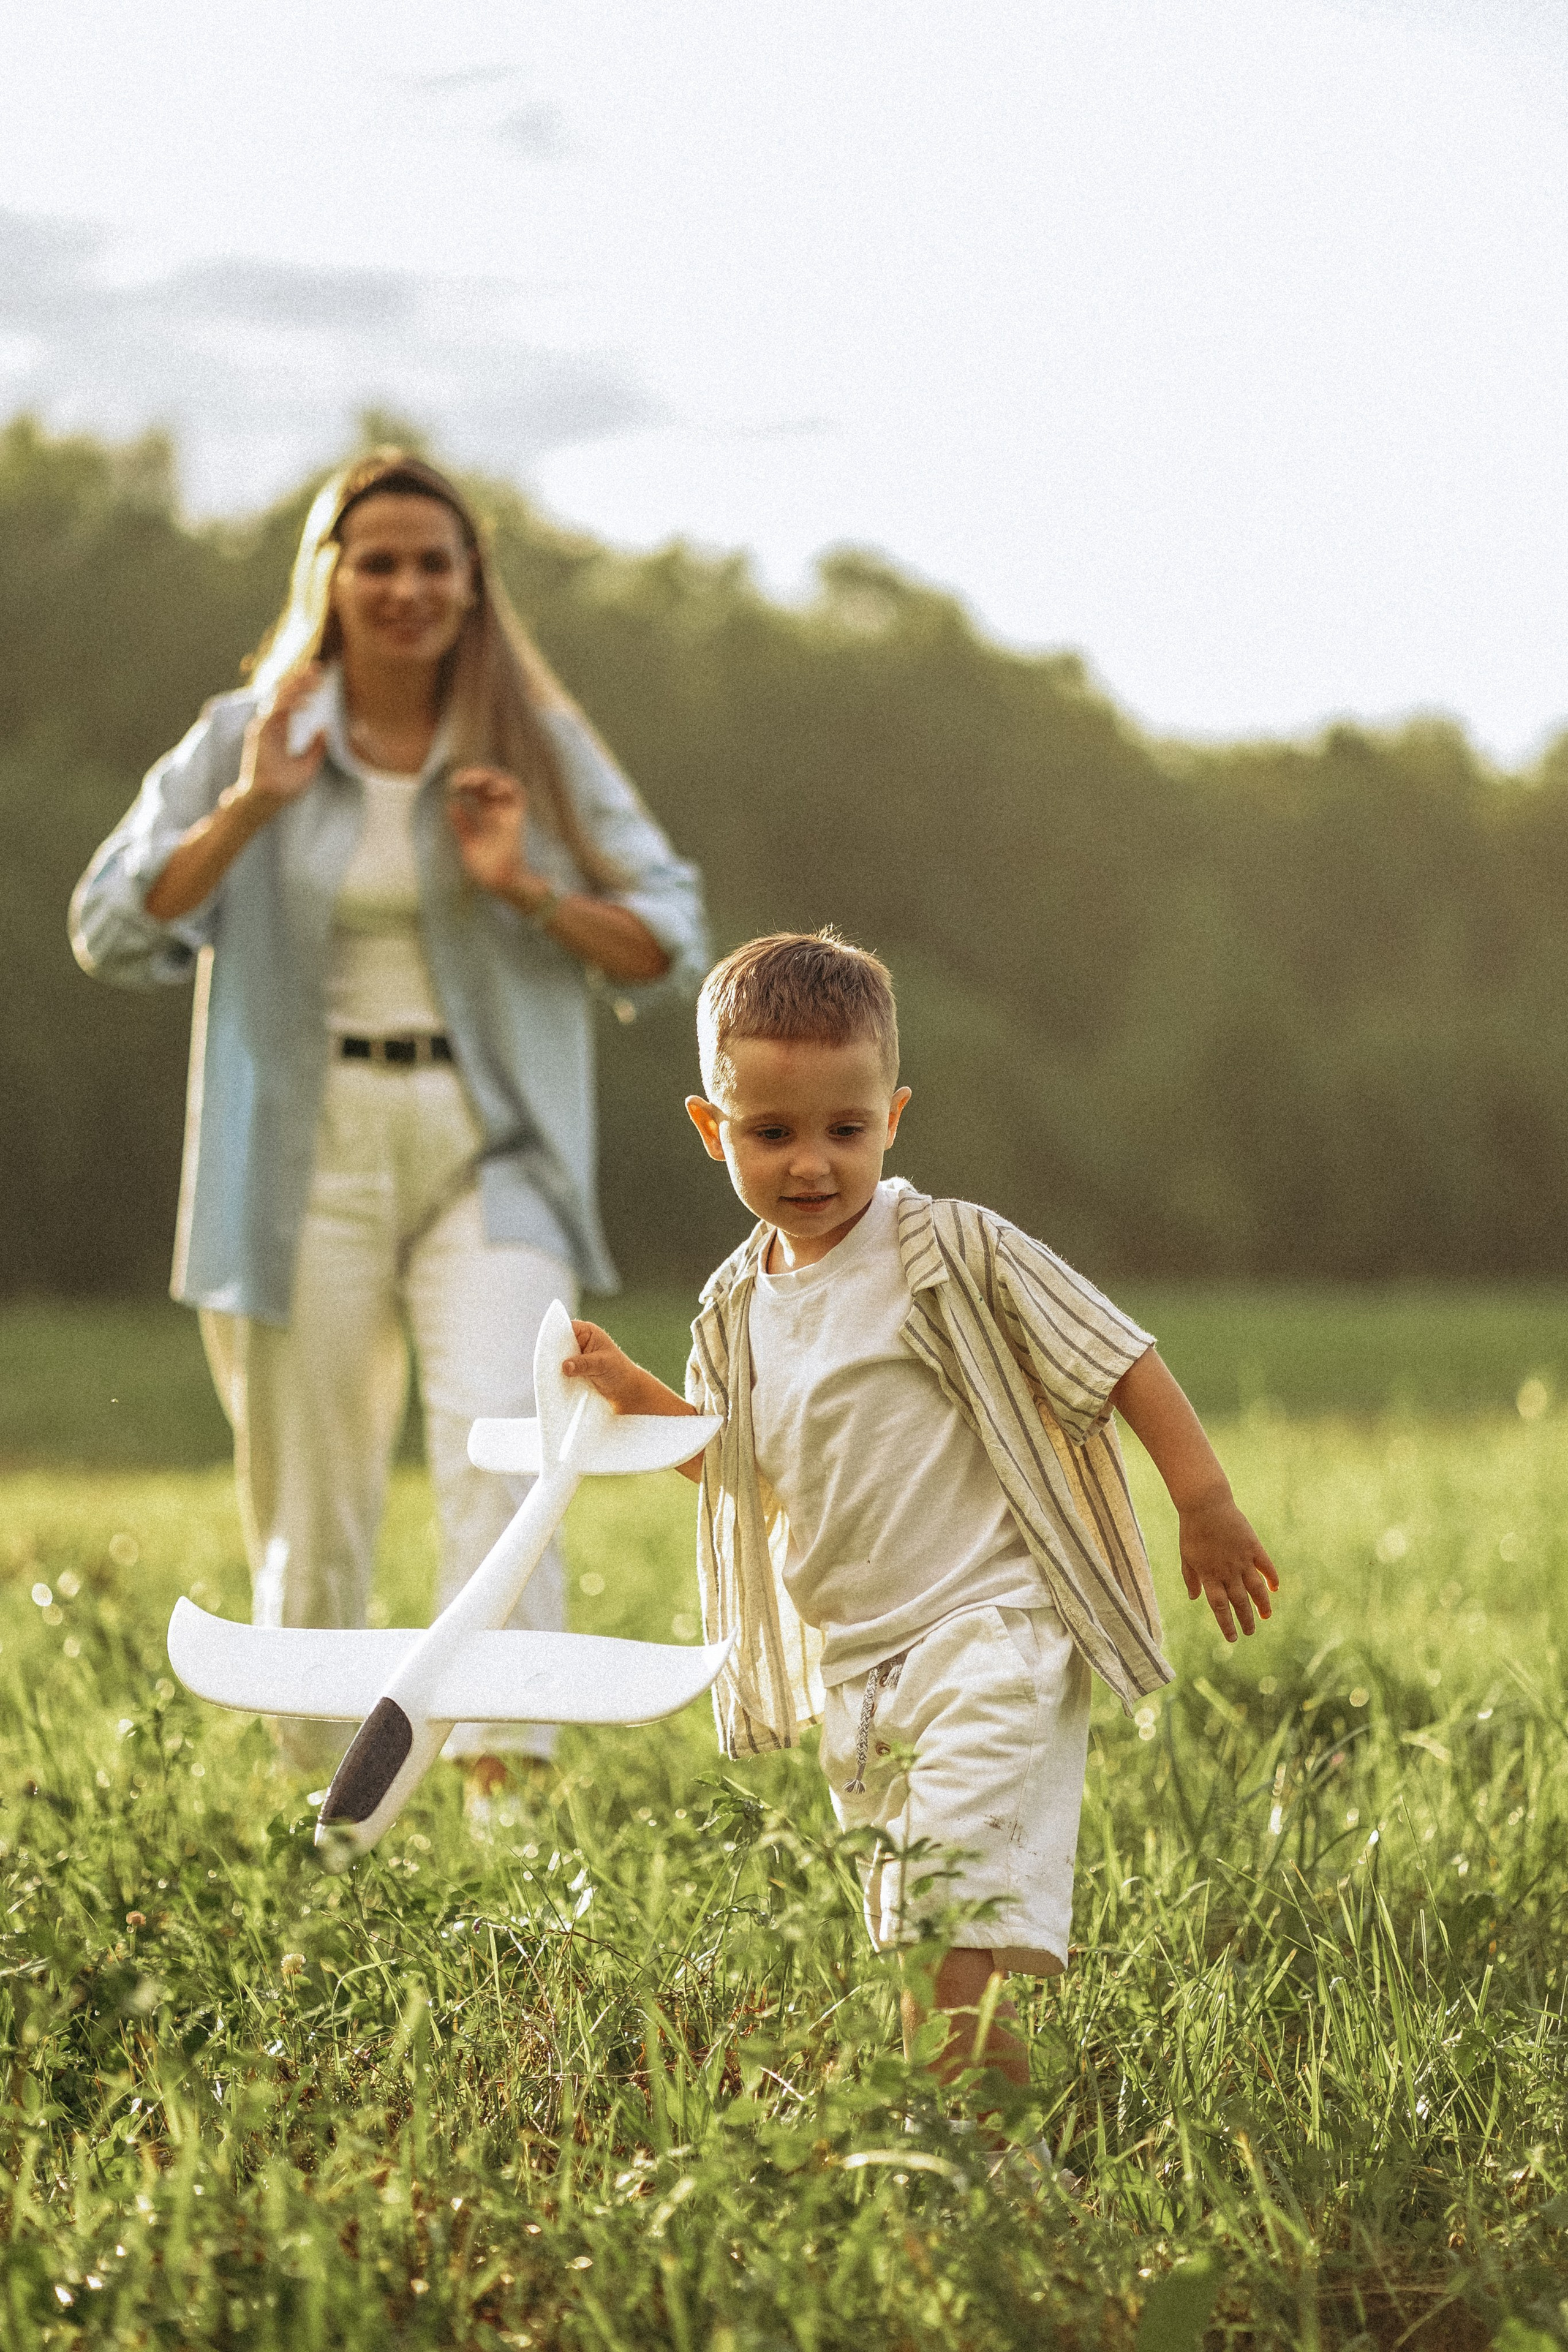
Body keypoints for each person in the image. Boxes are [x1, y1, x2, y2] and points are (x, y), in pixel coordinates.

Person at [70, 448, 708, 1785]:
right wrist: (254, 804)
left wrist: (523, 885)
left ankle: (507, 1793)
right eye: (379, 561)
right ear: (330, 578)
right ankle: (332, 1802)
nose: (407, 585)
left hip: (493, 1154)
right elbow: (114, 926)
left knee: (510, 1442)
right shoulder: (249, 731)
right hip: (302, 1154)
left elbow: (667, 937)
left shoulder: (535, 740)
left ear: (472, 585)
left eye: (434, 562)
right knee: (312, 1499)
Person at [554, 930, 1278, 2096]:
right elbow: (748, 1474)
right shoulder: (733, 1308)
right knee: (915, 1945)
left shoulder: (947, 1248)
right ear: (711, 1128)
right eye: (772, 1133)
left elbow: (1119, 1356)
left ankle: (988, 2168)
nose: (811, 1165)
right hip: (861, 1673)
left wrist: (1206, 1500)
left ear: (892, 1115)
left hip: (992, 1630)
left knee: (941, 1929)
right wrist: (648, 1403)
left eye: (845, 1129)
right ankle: (972, 2149)